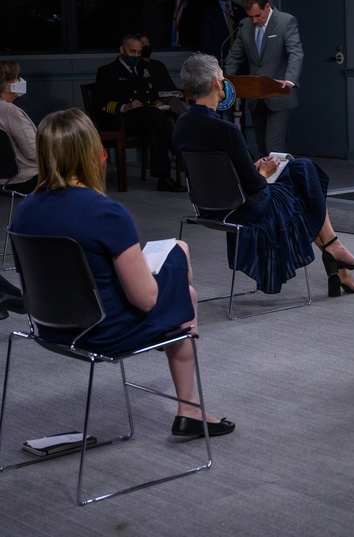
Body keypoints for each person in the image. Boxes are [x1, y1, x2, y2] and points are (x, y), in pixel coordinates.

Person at [10, 108, 234, 438]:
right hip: (102, 333)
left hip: (48, 328)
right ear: (92, 153)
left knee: (176, 256)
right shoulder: (106, 213)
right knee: (185, 291)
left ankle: (184, 388)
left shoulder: (24, 210)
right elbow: (145, 300)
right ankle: (189, 409)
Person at [173, 53, 354, 297]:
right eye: (222, 77)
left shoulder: (181, 125)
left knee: (301, 171)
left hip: (207, 207)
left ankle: (336, 258)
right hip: (244, 208)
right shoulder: (226, 130)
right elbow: (254, 186)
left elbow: (213, 172)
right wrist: (263, 171)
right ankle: (333, 250)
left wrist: (249, 167)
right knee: (305, 173)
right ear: (215, 83)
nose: (224, 82)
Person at [94, 33, 187, 192]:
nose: (136, 56)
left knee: (158, 118)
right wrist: (126, 106)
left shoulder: (143, 68)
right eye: (132, 52)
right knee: (155, 117)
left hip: (145, 117)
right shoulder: (107, 71)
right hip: (119, 119)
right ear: (122, 50)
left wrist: (158, 104)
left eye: (138, 52)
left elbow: (152, 96)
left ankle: (163, 177)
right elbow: (101, 104)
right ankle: (181, 152)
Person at [223, 0, 303, 157]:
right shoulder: (245, 25)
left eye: (257, 15)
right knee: (261, 146)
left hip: (278, 93)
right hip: (255, 96)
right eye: (251, 16)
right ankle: (266, 182)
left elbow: (296, 52)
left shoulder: (285, 21)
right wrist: (226, 81)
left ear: (267, 6)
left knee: (273, 145)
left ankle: (280, 183)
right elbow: (234, 56)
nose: (254, 20)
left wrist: (289, 80)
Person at [0, 61, 39, 193]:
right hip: (23, 178)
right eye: (17, 78)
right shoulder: (9, 111)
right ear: (6, 87)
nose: (21, 81)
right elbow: (33, 152)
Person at [137, 33, 189, 117]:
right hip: (149, 102)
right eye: (143, 44)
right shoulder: (134, 67)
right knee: (173, 101)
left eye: (148, 44)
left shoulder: (158, 65)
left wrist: (185, 93)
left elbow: (172, 88)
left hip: (166, 98)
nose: (146, 46)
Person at [199, 0, 248, 64]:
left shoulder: (241, 10)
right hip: (218, 60)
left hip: (241, 61)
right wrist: (220, 58)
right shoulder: (208, 12)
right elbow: (206, 39)